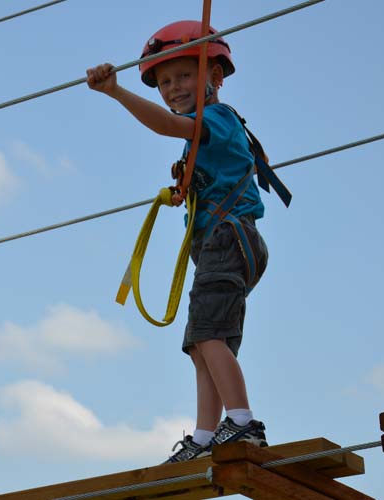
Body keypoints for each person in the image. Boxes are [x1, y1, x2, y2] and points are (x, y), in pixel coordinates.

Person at [87, 20, 274, 463]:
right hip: (219, 241)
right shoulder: (201, 134)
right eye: (165, 81)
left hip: (232, 237)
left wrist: (116, 92)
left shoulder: (218, 119)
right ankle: (206, 437)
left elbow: (168, 126)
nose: (173, 88)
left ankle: (244, 424)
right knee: (202, 344)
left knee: (209, 335)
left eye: (185, 75)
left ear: (216, 76)